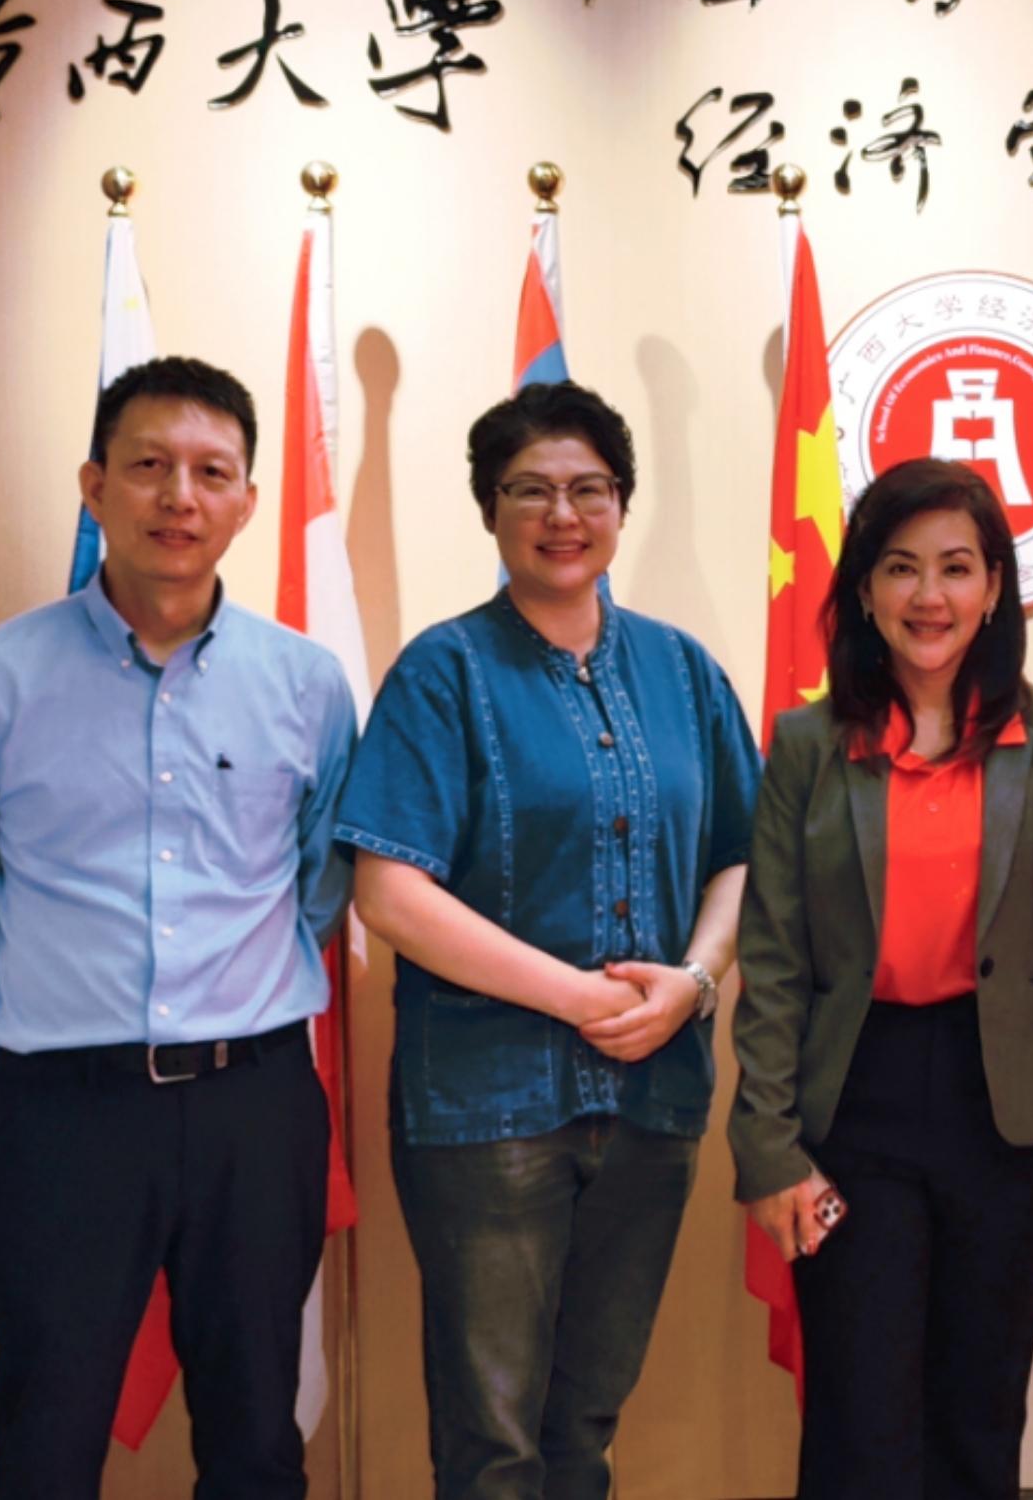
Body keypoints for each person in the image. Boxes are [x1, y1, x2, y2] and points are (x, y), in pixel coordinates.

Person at [0, 356, 359, 1500]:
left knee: (256, 1438)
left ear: (246, 500)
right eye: (149, 464)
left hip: (253, 1102)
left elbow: (320, 878)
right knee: (46, 1439)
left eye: (211, 472)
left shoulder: (307, 684)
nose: (179, 496)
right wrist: (65, 992)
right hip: (63, 1108)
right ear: (94, 484)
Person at [334, 380, 759, 1500]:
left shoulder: (683, 671)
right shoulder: (444, 671)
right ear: (489, 509)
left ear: (621, 503)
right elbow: (388, 892)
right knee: (494, 1440)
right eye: (529, 490)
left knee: (585, 1424)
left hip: (654, 1098)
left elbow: (742, 853)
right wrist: (577, 997)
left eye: (588, 489)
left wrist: (694, 980)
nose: (561, 514)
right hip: (487, 1109)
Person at [731, 458, 1033, 1500]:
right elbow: (773, 962)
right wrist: (767, 1144)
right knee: (860, 1419)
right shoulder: (806, 745)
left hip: (1014, 1111)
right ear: (864, 588)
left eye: (956, 567)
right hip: (854, 1106)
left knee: (977, 1412)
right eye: (900, 567)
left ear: (994, 586)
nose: (929, 595)